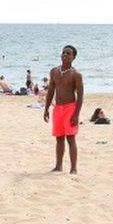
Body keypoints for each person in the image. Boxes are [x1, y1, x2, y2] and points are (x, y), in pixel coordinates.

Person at [43, 45, 83, 174]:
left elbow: (80, 96)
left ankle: (73, 168)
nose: (65, 55)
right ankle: (58, 166)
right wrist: (46, 108)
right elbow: (50, 91)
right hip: (57, 108)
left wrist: (76, 114)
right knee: (59, 137)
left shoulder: (76, 74)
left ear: (74, 57)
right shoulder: (54, 71)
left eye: (68, 53)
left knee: (70, 138)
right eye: (63, 52)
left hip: (70, 108)